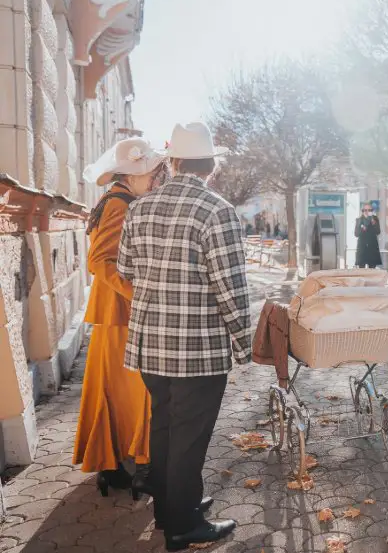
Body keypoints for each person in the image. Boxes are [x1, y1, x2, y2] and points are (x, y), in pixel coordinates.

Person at [118, 122, 251, 550]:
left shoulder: (139, 208)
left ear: (173, 162)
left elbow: (125, 271)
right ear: (211, 166)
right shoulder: (217, 210)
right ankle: (183, 525)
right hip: (197, 349)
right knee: (189, 438)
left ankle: (171, 508)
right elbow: (231, 289)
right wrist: (245, 345)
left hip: (149, 345)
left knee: (164, 428)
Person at [74, 138, 167, 498]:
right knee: (131, 392)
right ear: (133, 174)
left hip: (117, 312)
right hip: (120, 314)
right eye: (153, 174)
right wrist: (139, 293)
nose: (157, 180)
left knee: (116, 390)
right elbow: (100, 261)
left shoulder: (120, 199)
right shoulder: (119, 203)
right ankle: (132, 467)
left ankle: (114, 465)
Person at [354, 202, 382, 269]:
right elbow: (356, 234)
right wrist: (362, 228)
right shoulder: (359, 220)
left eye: (369, 210)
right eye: (365, 210)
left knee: (372, 268)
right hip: (362, 248)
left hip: (372, 248)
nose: (367, 212)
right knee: (361, 269)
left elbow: (378, 232)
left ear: (372, 211)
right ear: (362, 211)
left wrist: (374, 223)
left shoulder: (375, 219)